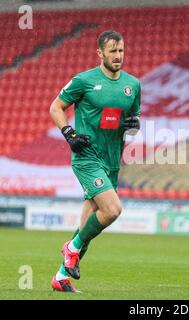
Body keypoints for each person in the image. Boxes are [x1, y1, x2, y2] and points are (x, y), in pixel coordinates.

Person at [49, 30, 140, 293]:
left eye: (121, 50)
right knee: (112, 210)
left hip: (112, 160)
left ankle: (61, 277)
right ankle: (71, 247)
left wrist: (135, 125)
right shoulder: (84, 81)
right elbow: (56, 107)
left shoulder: (133, 85)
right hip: (87, 157)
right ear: (100, 53)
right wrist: (69, 134)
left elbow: (131, 123)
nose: (118, 56)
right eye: (112, 51)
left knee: (87, 226)